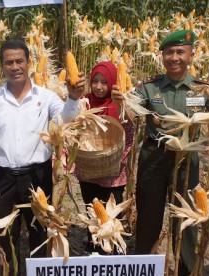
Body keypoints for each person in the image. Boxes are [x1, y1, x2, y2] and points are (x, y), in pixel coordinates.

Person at [0, 40, 85, 275]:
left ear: (29, 63)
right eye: (9, 62)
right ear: (2, 67)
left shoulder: (47, 96)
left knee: (39, 234)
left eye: (19, 61)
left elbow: (65, 120)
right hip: (3, 178)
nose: (15, 67)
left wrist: (72, 98)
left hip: (37, 176)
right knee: (5, 237)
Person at [112, 30, 209, 275]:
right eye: (169, 52)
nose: (174, 57)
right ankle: (144, 266)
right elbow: (127, 116)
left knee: (187, 219)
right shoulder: (149, 87)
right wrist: (120, 102)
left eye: (180, 52)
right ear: (162, 56)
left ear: (191, 55)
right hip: (154, 156)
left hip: (187, 159)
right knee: (148, 216)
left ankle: (186, 268)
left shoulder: (203, 89)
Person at [76, 61, 134, 254]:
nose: (99, 87)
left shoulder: (119, 104)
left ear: (112, 83)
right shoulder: (83, 103)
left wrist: (118, 159)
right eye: (95, 81)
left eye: (104, 82)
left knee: (111, 212)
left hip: (113, 172)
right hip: (88, 169)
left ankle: (111, 249)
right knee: (91, 209)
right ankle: (94, 243)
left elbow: (129, 134)